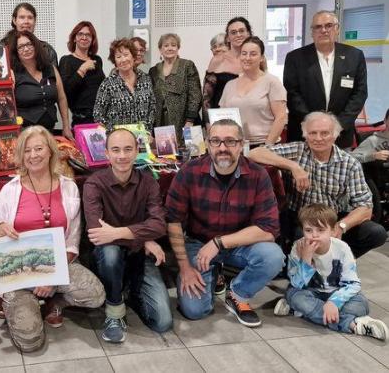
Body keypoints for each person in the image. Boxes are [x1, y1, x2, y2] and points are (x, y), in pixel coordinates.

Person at [0, 126, 105, 352]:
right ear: (21, 156)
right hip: (19, 270)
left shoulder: (69, 187)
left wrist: (50, 278)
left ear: (50, 151)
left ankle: (53, 300)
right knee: (30, 343)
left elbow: (72, 241)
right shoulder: (9, 190)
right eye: (27, 150)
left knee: (96, 295)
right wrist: (0, 228)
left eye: (39, 148)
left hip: (58, 264)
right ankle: (26, 301)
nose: (33, 155)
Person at [166, 119, 284, 327]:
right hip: (198, 244)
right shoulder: (189, 172)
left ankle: (237, 294)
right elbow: (173, 221)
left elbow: (269, 229)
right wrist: (184, 267)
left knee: (273, 256)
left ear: (241, 144)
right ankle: (213, 273)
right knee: (195, 311)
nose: (222, 148)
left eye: (230, 141)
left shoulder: (258, 175)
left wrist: (219, 243)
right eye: (216, 141)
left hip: (239, 244)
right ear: (207, 144)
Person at [248, 112, 387, 258]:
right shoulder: (297, 150)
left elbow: (365, 206)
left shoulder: (350, 163)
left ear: (335, 135)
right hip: (300, 217)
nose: (318, 138)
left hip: (335, 217)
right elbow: (254, 153)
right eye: (313, 133)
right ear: (305, 135)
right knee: (307, 239)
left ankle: (337, 261)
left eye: (324, 133)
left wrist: (341, 226)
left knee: (376, 233)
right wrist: (293, 166)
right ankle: (313, 265)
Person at [83, 129, 171, 343]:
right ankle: (114, 310)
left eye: (128, 149)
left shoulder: (149, 182)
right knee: (111, 252)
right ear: (106, 154)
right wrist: (144, 236)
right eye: (116, 150)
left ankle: (132, 290)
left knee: (163, 322)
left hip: (140, 255)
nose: (122, 155)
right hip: (109, 257)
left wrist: (119, 233)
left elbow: (160, 224)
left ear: (136, 152)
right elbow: (96, 233)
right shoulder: (94, 184)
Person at [273, 204, 387, 341]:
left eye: (320, 230)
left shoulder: (342, 249)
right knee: (296, 297)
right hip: (309, 292)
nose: (314, 235)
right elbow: (297, 284)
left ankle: (298, 311)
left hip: (336, 292)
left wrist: (334, 302)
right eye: (308, 230)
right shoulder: (298, 247)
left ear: (332, 230)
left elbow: (353, 284)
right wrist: (306, 260)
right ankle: (353, 325)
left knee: (361, 306)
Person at [284, 10, 368, 149]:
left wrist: (338, 125)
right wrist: (314, 124)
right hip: (304, 134)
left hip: (340, 135)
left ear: (337, 29)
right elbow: (292, 93)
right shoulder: (295, 58)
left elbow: (360, 93)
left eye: (328, 25)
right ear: (312, 32)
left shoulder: (354, 56)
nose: (323, 30)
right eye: (317, 27)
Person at [219, 36, 287, 147]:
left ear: (261, 58)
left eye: (253, 54)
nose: (247, 58)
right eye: (244, 53)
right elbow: (222, 119)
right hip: (235, 147)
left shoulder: (272, 82)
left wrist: (267, 146)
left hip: (264, 145)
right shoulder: (229, 85)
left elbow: (281, 117)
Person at [10, 30, 72, 139]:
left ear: (36, 45)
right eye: (20, 47)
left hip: (48, 130)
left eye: (29, 44)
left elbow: (61, 98)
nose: (26, 49)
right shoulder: (13, 73)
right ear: (16, 52)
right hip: (24, 133)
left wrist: (66, 126)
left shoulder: (50, 68)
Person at [149, 33, 202, 144]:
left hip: (185, 121)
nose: (170, 48)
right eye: (166, 45)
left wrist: (190, 120)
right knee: (166, 157)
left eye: (173, 45)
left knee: (191, 154)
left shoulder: (187, 65)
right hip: (161, 123)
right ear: (160, 49)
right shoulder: (153, 71)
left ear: (178, 48)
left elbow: (195, 94)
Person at [93, 38, 156, 131]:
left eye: (126, 55)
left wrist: (147, 131)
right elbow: (97, 115)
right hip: (118, 141)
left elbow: (152, 107)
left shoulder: (146, 79)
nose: (123, 60)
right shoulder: (107, 84)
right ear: (115, 61)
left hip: (142, 139)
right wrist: (114, 132)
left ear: (133, 56)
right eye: (118, 57)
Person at [202, 17, 252, 122]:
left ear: (248, 33)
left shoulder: (257, 59)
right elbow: (207, 98)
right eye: (233, 32)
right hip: (221, 120)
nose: (238, 35)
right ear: (228, 38)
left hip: (250, 119)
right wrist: (208, 125)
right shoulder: (217, 60)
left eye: (241, 31)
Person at [58, 21, 105, 126]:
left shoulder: (97, 60)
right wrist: (82, 70)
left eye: (88, 35)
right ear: (74, 38)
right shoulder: (66, 61)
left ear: (92, 39)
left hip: (101, 118)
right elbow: (66, 92)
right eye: (80, 34)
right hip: (82, 119)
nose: (84, 37)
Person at [3, 2, 58, 67]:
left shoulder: (47, 50)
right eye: (22, 17)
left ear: (35, 21)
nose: (26, 21)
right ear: (14, 20)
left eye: (30, 18)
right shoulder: (3, 48)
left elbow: (54, 76)